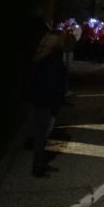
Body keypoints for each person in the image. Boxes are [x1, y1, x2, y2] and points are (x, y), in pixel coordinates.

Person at [29, 31, 67, 177]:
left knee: (42, 134)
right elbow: (54, 82)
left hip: (41, 100)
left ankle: (41, 163)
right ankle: (38, 166)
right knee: (42, 135)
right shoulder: (51, 60)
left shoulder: (41, 58)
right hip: (46, 101)